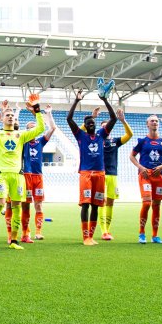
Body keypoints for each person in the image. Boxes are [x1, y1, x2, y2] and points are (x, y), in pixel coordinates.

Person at [0, 94, 45, 250]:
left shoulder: (21, 135)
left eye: (12, 115)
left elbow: (41, 128)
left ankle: (14, 240)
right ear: (3, 119)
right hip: (1, 175)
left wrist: (37, 110)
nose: (10, 117)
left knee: (17, 206)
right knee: (0, 204)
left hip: (18, 176)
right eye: (7, 115)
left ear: (15, 120)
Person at [66, 89, 117, 246]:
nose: (90, 124)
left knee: (96, 205)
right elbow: (69, 119)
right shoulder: (80, 136)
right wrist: (76, 101)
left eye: (92, 122)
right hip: (86, 174)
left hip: (100, 174)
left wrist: (105, 100)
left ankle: (91, 236)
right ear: (85, 126)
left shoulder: (102, 134)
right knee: (86, 204)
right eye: (88, 123)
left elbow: (113, 118)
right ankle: (85, 237)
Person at [129, 115, 162, 244]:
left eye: (157, 121)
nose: (155, 122)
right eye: (152, 121)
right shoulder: (142, 141)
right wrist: (140, 167)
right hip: (145, 175)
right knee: (147, 203)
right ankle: (141, 233)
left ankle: (155, 236)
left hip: (159, 176)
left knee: (157, 205)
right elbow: (132, 156)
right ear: (147, 124)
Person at [21, 104, 56, 242]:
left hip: (38, 177)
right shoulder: (22, 141)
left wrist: (47, 113)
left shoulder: (41, 142)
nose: (32, 130)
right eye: (30, 128)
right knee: (26, 204)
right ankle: (26, 232)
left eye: (34, 128)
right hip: (26, 176)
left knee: (39, 204)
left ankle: (38, 231)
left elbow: (52, 128)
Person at [97, 108, 133, 241]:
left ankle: (108, 229)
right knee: (102, 201)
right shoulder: (96, 140)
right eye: (102, 127)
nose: (105, 129)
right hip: (100, 174)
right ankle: (103, 231)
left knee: (110, 202)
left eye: (107, 127)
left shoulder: (114, 141)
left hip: (113, 174)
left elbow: (129, 135)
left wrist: (123, 121)